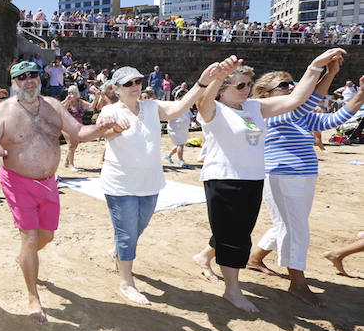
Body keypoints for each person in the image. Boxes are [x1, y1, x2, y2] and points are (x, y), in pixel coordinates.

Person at [193, 49, 344, 312]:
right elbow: (202, 101)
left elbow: (297, 98)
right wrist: (218, 76)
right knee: (233, 236)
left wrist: (316, 66)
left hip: (253, 179)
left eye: (249, 84)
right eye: (240, 85)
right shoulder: (213, 109)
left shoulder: (254, 107)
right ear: (223, 89)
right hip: (224, 178)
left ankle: (206, 259)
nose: (246, 89)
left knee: (240, 232)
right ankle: (232, 290)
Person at [0, 61, 127, 323]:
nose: (28, 80)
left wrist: (102, 129)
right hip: (17, 182)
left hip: (49, 183)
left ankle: (25, 258)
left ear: (39, 78)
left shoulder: (53, 106)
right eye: (21, 77)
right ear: (14, 83)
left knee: (45, 237)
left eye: (32, 75)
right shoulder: (3, 111)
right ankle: (33, 297)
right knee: (29, 238)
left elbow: (79, 131)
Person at [98, 63, 232, 305]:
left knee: (138, 227)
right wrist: (114, 129)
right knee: (128, 234)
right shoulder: (110, 111)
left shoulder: (151, 106)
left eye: (137, 81)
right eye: (128, 83)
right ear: (115, 88)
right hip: (120, 184)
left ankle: (119, 250)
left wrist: (202, 82)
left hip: (150, 183)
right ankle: (127, 282)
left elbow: (181, 106)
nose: (135, 86)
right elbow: (105, 131)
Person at [245, 67, 364, 306]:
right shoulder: (260, 111)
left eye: (293, 83)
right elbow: (306, 102)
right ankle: (297, 283)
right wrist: (328, 75)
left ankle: (255, 259)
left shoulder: (299, 112)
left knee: (288, 224)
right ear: (265, 93)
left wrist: (359, 95)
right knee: (296, 229)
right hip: (280, 174)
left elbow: (334, 120)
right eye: (284, 85)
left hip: (303, 176)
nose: (291, 88)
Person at [164, 90, 193, 167]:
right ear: (179, 97)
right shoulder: (173, 104)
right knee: (180, 144)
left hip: (184, 128)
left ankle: (168, 156)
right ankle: (181, 161)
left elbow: (190, 115)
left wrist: (194, 120)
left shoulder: (186, 105)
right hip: (175, 128)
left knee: (180, 144)